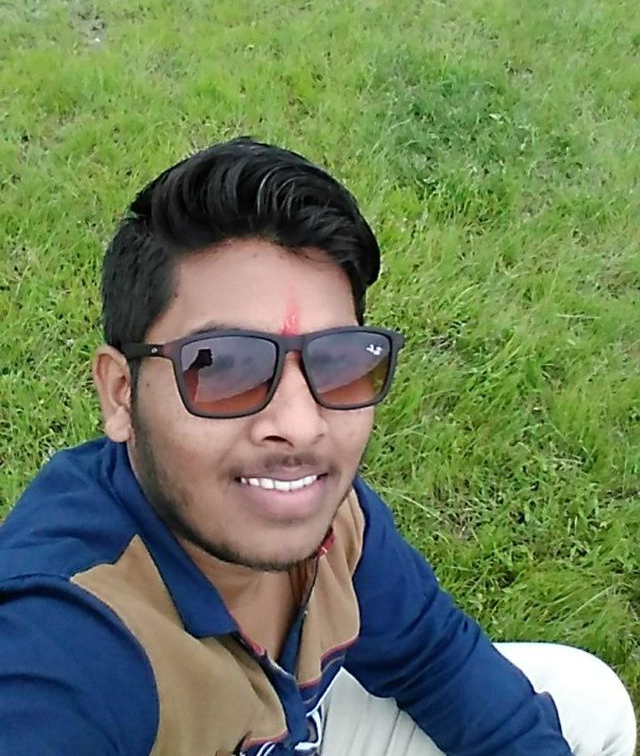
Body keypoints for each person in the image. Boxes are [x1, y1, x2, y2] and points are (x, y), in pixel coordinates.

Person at [0, 138, 635, 756]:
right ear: (121, 395)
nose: (302, 425)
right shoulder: (66, 647)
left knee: (587, 700)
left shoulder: (338, 525)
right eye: (223, 365)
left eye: (338, 361)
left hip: (296, 723)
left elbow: (436, 661)